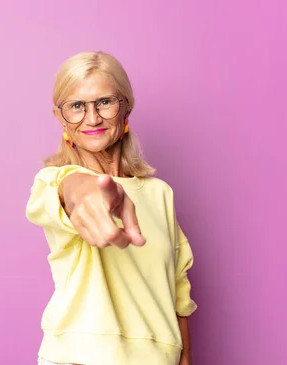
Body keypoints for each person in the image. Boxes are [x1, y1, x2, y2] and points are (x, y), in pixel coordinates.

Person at [26, 51, 197, 365]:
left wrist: (184, 357)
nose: (92, 118)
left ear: (126, 107)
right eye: (76, 106)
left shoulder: (160, 194)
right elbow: (65, 192)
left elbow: (178, 290)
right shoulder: (53, 182)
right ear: (60, 117)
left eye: (104, 102)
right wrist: (82, 189)